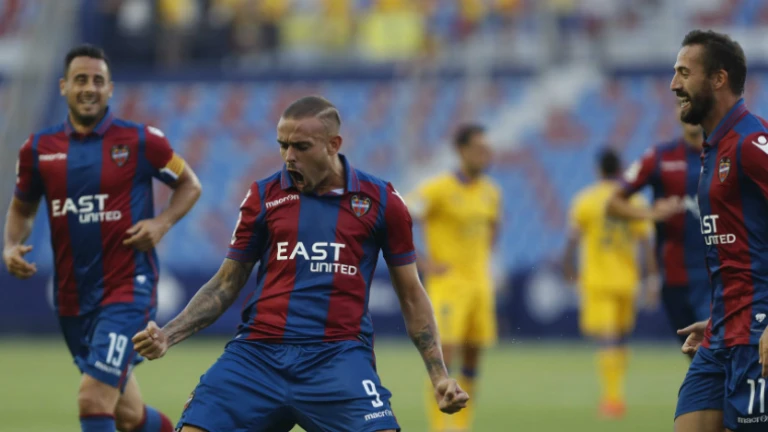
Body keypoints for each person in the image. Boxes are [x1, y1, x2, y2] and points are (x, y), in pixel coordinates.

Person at [131, 95, 469, 432]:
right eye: (283, 145)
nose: (289, 156)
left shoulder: (381, 201)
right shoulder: (264, 195)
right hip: (257, 355)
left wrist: (439, 376)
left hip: (337, 358)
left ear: (333, 144)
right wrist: (167, 335)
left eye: (301, 146)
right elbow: (226, 283)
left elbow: (411, 294)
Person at [2, 44, 201, 432]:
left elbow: (189, 184)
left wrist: (161, 223)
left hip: (127, 290)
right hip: (73, 298)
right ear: (64, 86)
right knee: (128, 415)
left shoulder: (142, 141)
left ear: (110, 88)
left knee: (93, 399)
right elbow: (22, 210)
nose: (89, 88)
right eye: (80, 80)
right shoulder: (38, 150)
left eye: (98, 80)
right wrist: (11, 245)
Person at [672, 30, 768, 432]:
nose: (674, 84)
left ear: (718, 79)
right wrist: (719, 319)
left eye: (684, 73)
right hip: (721, 334)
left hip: (757, 335)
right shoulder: (714, 148)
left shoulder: (752, 141)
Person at [405, 124, 501, 432]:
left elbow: (494, 227)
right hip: (448, 287)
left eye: (487, 149)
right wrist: (422, 261)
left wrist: (485, 259)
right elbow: (401, 216)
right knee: (444, 359)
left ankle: (461, 425)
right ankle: (441, 426)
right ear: (461, 151)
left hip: (480, 286)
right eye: (478, 149)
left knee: (473, 358)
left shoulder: (491, 192)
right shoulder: (438, 189)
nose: (485, 155)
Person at [563, 148, 657, 419]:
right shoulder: (634, 199)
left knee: (607, 339)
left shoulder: (585, 200)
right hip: (627, 279)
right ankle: (616, 394)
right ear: (621, 169)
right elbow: (646, 244)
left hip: (598, 281)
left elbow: (572, 241)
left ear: (598, 170)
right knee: (621, 338)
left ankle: (612, 398)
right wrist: (651, 278)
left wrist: (568, 270)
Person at [607, 104, 709, 352]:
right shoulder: (660, 157)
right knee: (694, 355)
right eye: (682, 102)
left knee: (714, 355)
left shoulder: (728, 152)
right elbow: (613, 203)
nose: (688, 108)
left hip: (718, 278)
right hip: (674, 278)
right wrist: (651, 213)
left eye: (693, 101)